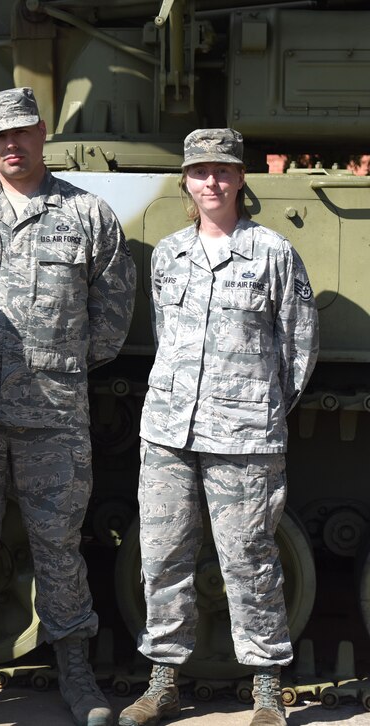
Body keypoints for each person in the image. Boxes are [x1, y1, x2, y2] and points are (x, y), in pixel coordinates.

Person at [0, 87, 136, 726]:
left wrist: (58, 363)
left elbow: (113, 313)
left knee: (59, 542)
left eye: (21, 132)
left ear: (42, 133)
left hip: (53, 413)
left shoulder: (87, 214)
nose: (11, 145)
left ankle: (74, 664)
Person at [118, 129, 318, 726]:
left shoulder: (273, 253)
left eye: (224, 172)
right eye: (201, 172)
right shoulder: (168, 254)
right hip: (168, 432)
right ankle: (162, 683)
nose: (212, 182)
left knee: (249, 557)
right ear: (186, 180)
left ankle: (264, 689)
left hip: (244, 435)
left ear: (240, 179)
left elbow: (299, 348)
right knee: (163, 555)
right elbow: (163, 336)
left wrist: (257, 407)